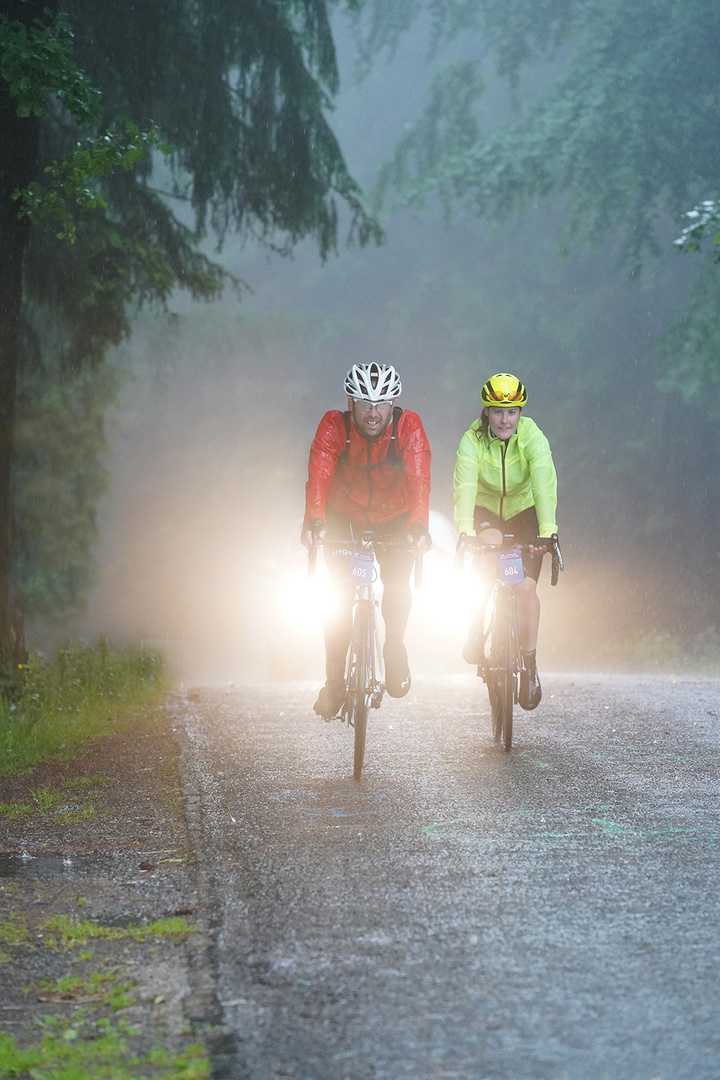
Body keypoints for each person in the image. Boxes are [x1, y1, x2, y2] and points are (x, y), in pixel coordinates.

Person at [301, 362, 432, 719]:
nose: (373, 414)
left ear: (393, 404)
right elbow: (319, 473)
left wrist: (419, 527)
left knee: (396, 582)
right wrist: (314, 522)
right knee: (339, 598)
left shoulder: (408, 427)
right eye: (364, 404)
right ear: (350, 404)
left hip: (395, 515)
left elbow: (420, 478)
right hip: (344, 514)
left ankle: (394, 646)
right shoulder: (333, 426)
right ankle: (334, 681)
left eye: (381, 405)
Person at [453, 372, 557, 710]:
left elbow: (543, 481)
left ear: (520, 413)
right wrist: (466, 531)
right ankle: (474, 627)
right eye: (497, 412)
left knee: (525, 589)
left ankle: (529, 664)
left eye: (512, 412)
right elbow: (465, 487)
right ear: (486, 412)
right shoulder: (472, 440)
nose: (505, 420)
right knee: (489, 548)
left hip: (524, 512)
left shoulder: (532, 437)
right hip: (487, 511)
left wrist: (547, 530)